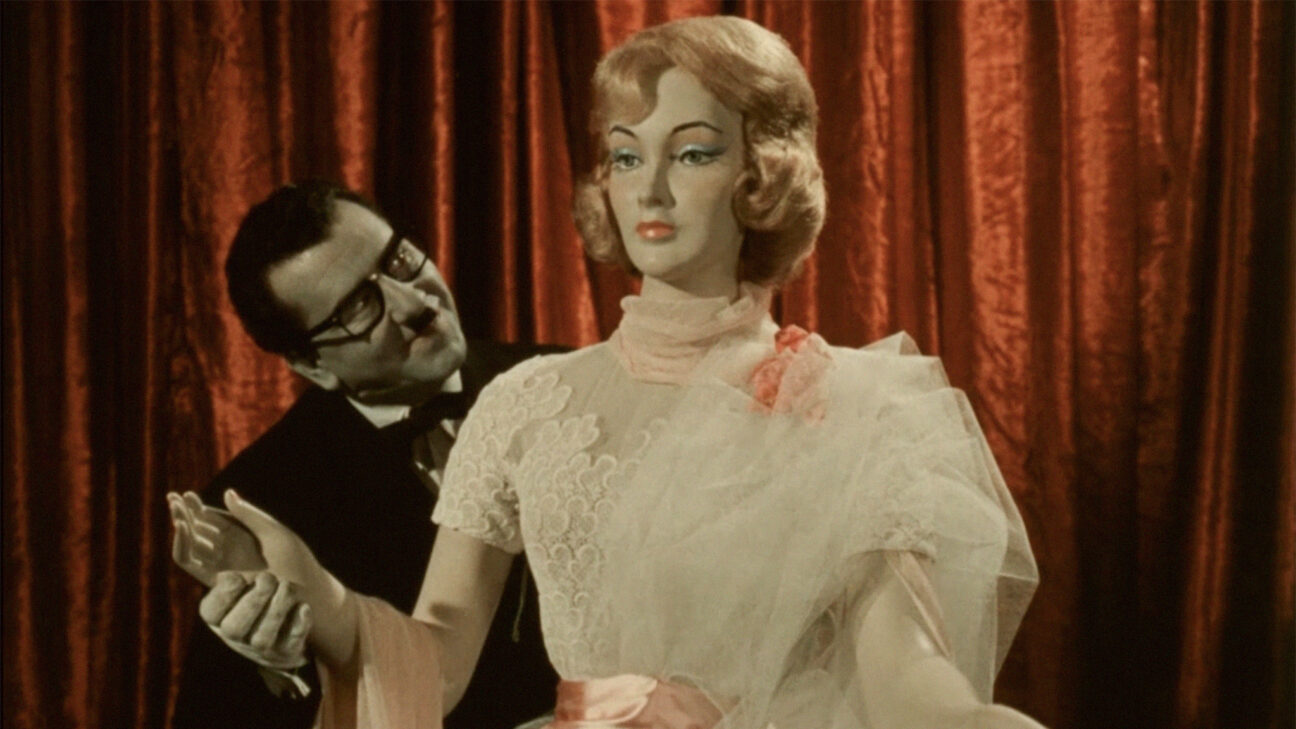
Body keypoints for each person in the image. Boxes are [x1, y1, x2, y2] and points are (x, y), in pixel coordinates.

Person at [172, 17, 1047, 729]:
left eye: (692, 152)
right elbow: (436, 659)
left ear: (763, 176)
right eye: (627, 155)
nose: (649, 188)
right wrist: (321, 597)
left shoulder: (860, 404)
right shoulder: (527, 402)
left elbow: (908, 678)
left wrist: (973, 720)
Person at [166, 181, 559, 729]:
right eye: (357, 307)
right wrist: (284, 665)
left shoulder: (565, 378)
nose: (414, 303)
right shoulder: (260, 501)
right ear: (313, 366)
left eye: (398, 260)